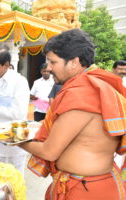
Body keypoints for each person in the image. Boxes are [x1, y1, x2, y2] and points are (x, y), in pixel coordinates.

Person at [19, 29, 126, 199]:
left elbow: (49, 152)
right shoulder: (95, 86)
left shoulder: (82, 93)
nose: (49, 68)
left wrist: (15, 140)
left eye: (53, 62)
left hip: (86, 189)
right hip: (88, 183)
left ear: (74, 62)